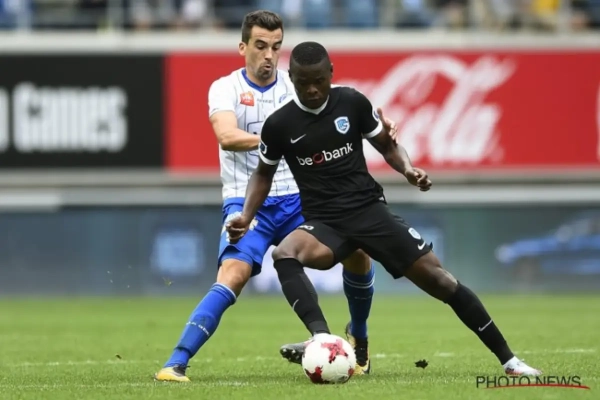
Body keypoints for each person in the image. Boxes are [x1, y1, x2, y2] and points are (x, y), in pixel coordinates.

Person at [226, 41, 543, 377]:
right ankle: (322, 338)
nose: (313, 89)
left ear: (331, 73)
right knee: (284, 254)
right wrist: (246, 215)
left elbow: (388, 146)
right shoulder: (279, 124)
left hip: (370, 212)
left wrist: (408, 169)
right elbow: (263, 174)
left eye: (319, 80)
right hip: (326, 223)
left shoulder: (352, 102)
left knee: (443, 281)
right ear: (292, 78)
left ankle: (510, 361)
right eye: (304, 83)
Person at [154, 11, 395, 382]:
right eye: (261, 46)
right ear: (243, 47)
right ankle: (176, 363)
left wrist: (381, 135)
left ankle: (357, 341)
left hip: (300, 200)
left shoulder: (295, 85)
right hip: (247, 203)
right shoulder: (225, 88)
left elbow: (338, 123)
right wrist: (278, 140)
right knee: (233, 274)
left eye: (276, 47)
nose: (269, 55)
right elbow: (226, 136)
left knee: (359, 253)